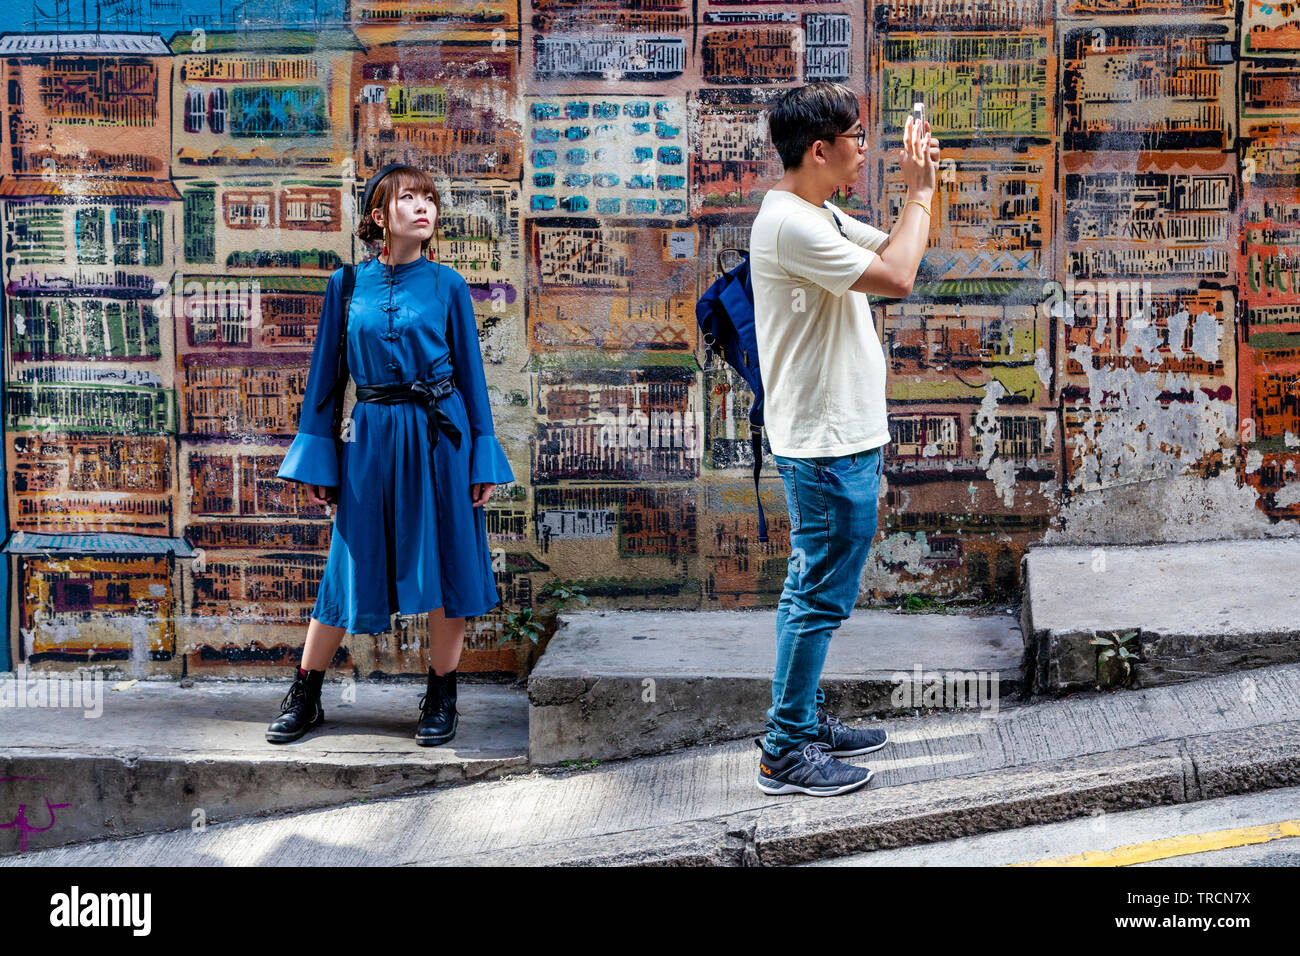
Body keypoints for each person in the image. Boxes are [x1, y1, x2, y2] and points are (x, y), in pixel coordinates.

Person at [266, 163, 515, 747]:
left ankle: (442, 692)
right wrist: (320, 463)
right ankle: (306, 691)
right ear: (380, 216)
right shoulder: (346, 285)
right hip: (372, 436)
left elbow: (472, 379)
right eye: (410, 197)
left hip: (441, 437)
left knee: (448, 559)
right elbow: (325, 381)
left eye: (430, 197)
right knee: (348, 562)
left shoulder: (449, 285)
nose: (424, 206)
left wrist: (482, 455)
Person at [749, 83, 939, 796]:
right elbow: (897, 275)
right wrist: (918, 190)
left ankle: (802, 720)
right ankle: (785, 749)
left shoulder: (813, 212)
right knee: (817, 596)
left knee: (813, 591)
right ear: (820, 149)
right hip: (825, 442)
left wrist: (923, 192)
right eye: (857, 137)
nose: (866, 148)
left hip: (839, 433)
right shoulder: (793, 225)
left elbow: (899, 250)